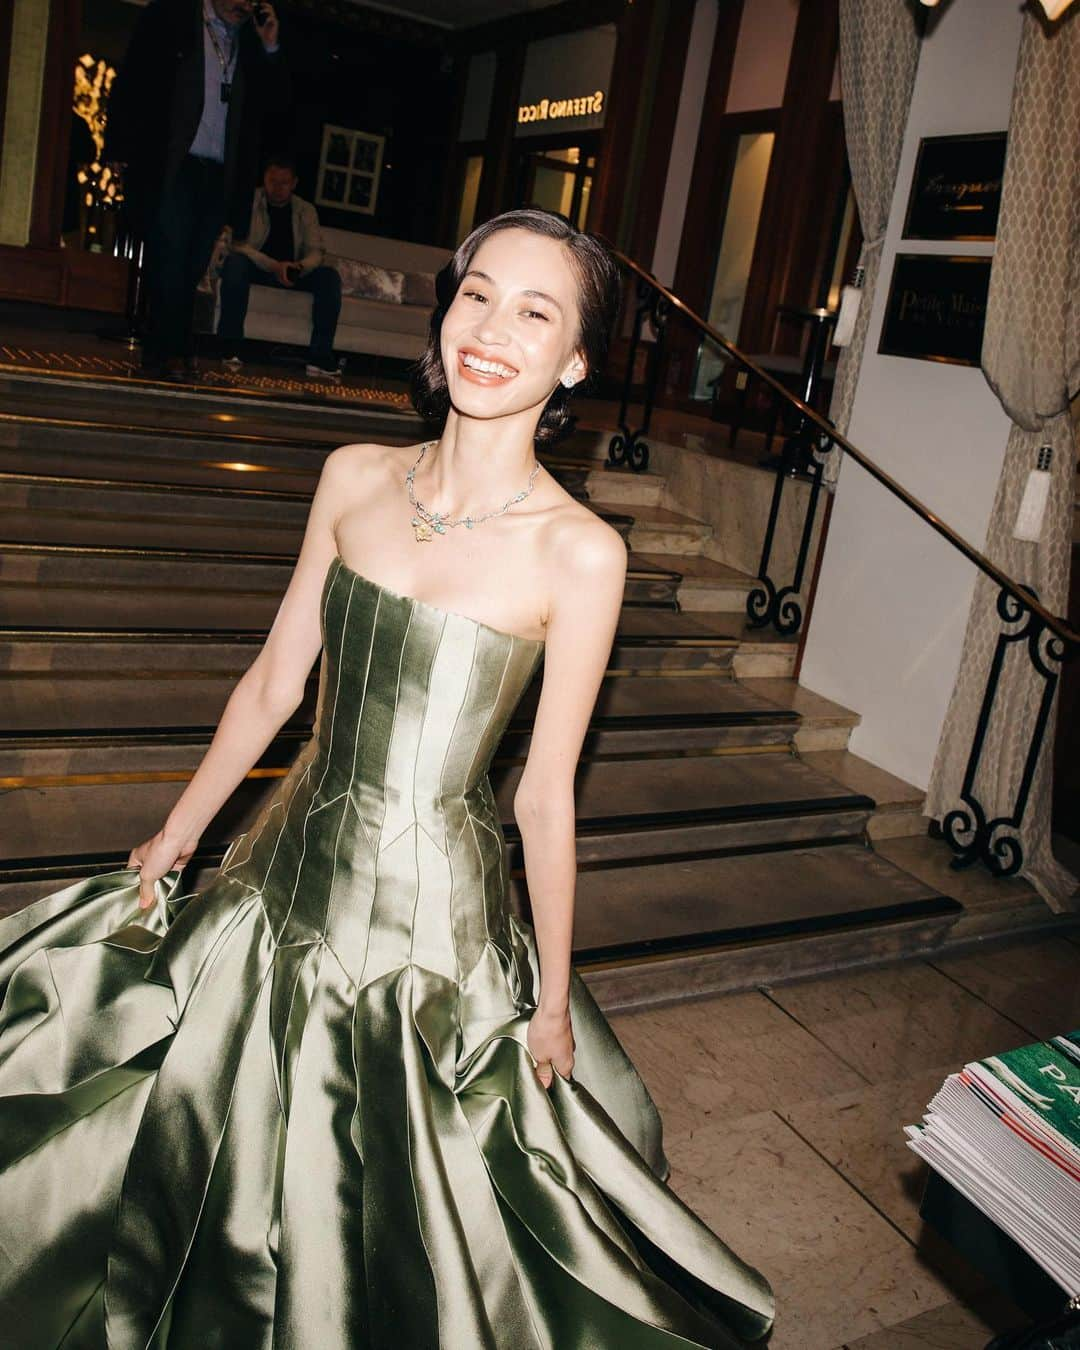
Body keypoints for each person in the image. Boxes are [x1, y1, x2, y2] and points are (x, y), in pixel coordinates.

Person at [0, 209, 774, 1347]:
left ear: (573, 363)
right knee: (201, 1129)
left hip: (433, 931)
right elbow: (274, 684)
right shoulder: (354, 475)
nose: (492, 330)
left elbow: (545, 791)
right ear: (443, 310)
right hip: (285, 862)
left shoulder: (580, 553)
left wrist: (552, 999)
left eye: (535, 311)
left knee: (397, 1201)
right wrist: (178, 834)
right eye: (476, 295)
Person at [105, 0, 288, 381]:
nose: (243, 5)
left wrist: (270, 47)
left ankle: (160, 352)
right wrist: (119, 146)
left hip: (219, 173)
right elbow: (134, 79)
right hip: (172, 162)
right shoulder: (170, 17)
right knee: (169, 257)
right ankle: (174, 350)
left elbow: (269, 110)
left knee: (192, 264)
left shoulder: (252, 43)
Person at [218, 155, 343, 379]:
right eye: (272, 181)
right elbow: (237, 244)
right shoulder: (250, 201)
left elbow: (316, 251)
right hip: (258, 266)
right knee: (235, 264)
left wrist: (298, 267)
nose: (277, 188)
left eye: (283, 182)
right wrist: (272, 265)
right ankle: (230, 345)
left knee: (329, 277)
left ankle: (320, 356)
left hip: (292, 271)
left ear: (294, 183)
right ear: (264, 179)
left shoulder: (305, 211)